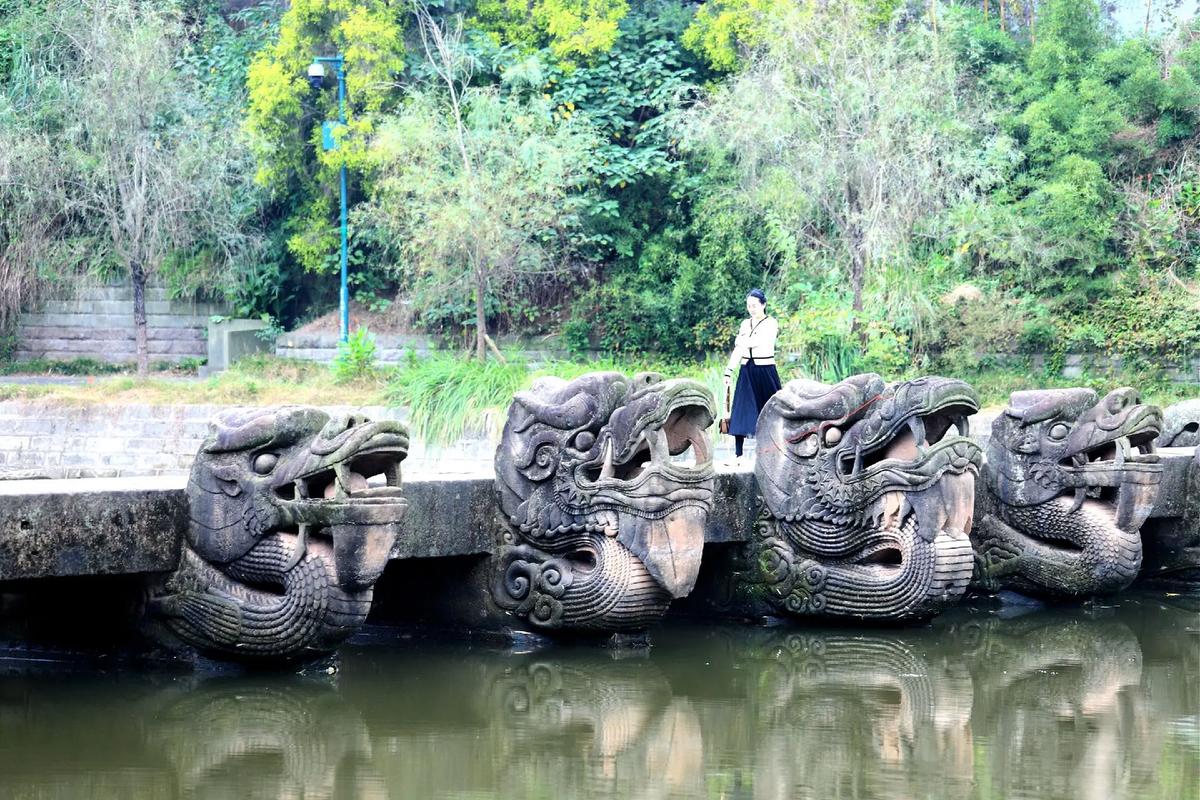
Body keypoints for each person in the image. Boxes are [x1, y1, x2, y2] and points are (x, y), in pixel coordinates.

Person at [723, 288, 781, 464]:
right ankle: (738, 455)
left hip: (765, 370)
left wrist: (741, 341)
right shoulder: (744, 324)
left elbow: (757, 342)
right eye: (749, 306)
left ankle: (775, 452)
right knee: (740, 410)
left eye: (754, 305)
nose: (751, 309)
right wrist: (729, 370)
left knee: (772, 410)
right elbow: (738, 349)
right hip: (746, 370)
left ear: (763, 305)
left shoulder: (771, 323)